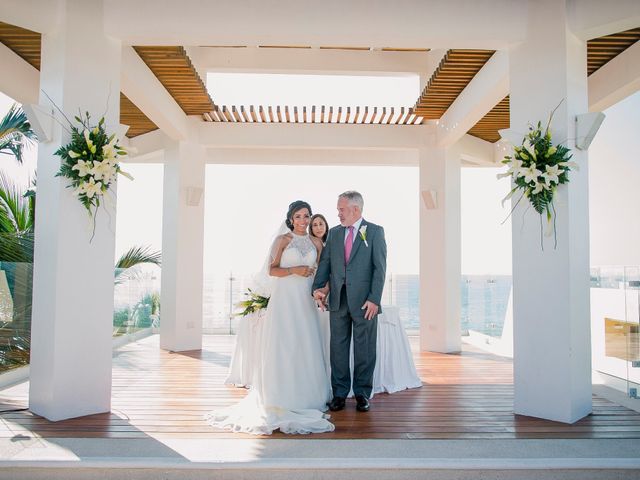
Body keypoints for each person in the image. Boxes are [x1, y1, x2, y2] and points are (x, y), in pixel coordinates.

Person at [206, 200, 334, 435]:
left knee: (305, 344)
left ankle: (307, 396)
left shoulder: (317, 242)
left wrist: (321, 291)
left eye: (306, 216)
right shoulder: (282, 240)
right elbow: (271, 270)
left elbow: (324, 272)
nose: (304, 220)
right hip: (284, 299)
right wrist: (294, 270)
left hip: (305, 299)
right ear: (291, 218)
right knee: (283, 345)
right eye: (298, 216)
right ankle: (279, 395)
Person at [312, 191, 387, 413]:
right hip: (338, 301)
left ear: (355, 209)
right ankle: (340, 394)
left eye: (341, 210)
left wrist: (374, 299)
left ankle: (363, 394)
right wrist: (318, 287)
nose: (338, 214)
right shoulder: (334, 234)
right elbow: (325, 264)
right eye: (338, 210)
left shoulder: (374, 232)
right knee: (338, 349)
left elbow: (379, 269)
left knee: (364, 349)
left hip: (365, 303)